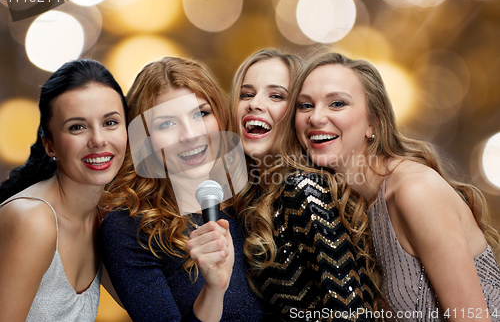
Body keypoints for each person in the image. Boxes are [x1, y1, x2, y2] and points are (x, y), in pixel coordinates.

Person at [290, 52, 500, 320]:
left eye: (337, 103)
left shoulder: (415, 191)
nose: (316, 117)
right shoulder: (351, 205)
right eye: (305, 106)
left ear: (372, 123)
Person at [100, 56, 265, 322]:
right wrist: (214, 289)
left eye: (201, 113)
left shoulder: (256, 199)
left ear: (221, 117)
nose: (190, 134)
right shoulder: (129, 229)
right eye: (167, 123)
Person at [229, 49, 374, 321]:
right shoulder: (254, 196)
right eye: (246, 94)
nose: (254, 104)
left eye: (276, 96)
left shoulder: (303, 188)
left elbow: (351, 313)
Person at [0, 59, 128, 321]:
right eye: (77, 127)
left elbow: (150, 304)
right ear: (50, 146)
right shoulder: (33, 220)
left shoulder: (104, 217)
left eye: (110, 122)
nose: (98, 140)